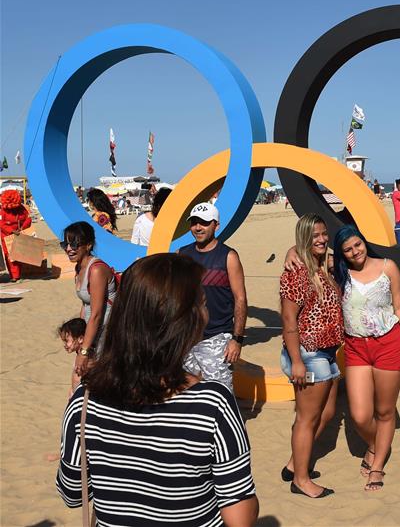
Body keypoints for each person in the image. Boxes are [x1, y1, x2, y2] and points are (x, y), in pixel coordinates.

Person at [57, 253, 258, 525]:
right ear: (184, 321)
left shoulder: (84, 400)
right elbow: (239, 516)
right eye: (201, 303)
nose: (206, 313)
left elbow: (72, 492)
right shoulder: (213, 405)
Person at [332, 225, 400, 491]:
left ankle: (377, 465)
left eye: (358, 244)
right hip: (355, 347)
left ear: (364, 242)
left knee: (384, 410)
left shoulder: (387, 267)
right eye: (348, 249)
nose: (355, 252)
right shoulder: (340, 274)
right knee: (358, 414)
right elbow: (307, 253)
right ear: (341, 254)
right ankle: (375, 444)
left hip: (389, 343)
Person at [279, 214, 343, 498]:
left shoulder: (324, 265)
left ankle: (296, 463)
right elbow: (289, 321)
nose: (321, 239)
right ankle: (301, 480)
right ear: (304, 237)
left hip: (329, 350)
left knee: (327, 413)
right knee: (306, 418)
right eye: (314, 235)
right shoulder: (296, 271)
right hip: (308, 352)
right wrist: (295, 361)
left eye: (323, 233)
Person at [178, 203, 248, 390]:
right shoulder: (182, 255)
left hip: (218, 337)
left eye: (204, 223)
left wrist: (237, 339)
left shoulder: (228, 256)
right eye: (194, 223)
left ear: (216, 226)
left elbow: (240, 299)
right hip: (187, 337)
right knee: (188, 392)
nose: (198, 228)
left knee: (219, 392)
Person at [62, 221, 116, 381]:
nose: (68, 249)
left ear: (88, 245)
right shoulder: (79, 268)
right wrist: (79, 334)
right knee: (80, 376)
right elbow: (85, 305)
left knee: (90, 377)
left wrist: (85, 350)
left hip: (106, 330)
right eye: (65, 244)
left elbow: (97, 313)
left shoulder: (97, 270)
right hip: (91, 329)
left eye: (74, 244)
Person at [0, 189, 32, 281]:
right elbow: (1, 224)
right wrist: (11, 231)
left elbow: (28, 219)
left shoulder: (22, 209)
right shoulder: (2, 211)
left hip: (20, 233)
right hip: (6, 236)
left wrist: (22, 228)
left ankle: (18, 273)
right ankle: (14, 276)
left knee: (20, 254)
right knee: (10, 255)